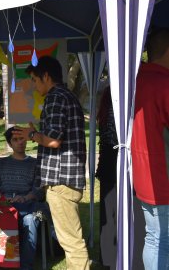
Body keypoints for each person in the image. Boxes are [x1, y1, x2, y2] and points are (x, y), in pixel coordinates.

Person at [13, 56, 90, 269]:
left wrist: (32, 134)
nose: (35, 86)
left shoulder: (56, 97)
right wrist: (37, 131)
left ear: (46, 76)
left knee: (71, 242)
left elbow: (54, 140)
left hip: (60, 180)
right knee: (71, 239)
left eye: (35, 80)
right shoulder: (66, 96)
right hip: (66, 178)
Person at [132, 27, 169, 270]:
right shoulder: (164, 83)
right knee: (160, 240)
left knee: (154, 237)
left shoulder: (133, 82)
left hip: (143, 176)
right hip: (162, 177)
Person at [0, 126, 44, 270]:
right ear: (10, 144)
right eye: (15, 140)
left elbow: (39, 190)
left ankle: (25, 267)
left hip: (27, 205)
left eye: (22, 138)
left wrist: (25, 197)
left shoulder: (35, 164)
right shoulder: (0, 163)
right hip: (5, 205)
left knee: (30, 220)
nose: (20, 142)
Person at [95, 86, 118, 270]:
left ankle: (107, 258)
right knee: (119, 213)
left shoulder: (106, 103)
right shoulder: (118, 105)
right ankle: (115, 257)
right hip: (118, 163)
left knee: (108, 214)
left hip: (107, 164)